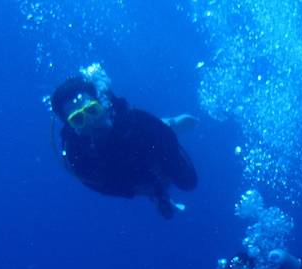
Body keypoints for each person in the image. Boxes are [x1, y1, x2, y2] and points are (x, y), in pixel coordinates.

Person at [50, 72, 198, 219]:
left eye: (92, 110)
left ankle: (169, 123)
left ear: (102, 104)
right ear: (72, 128)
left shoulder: (131, 120)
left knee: (188, 182)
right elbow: (102, 185)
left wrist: (166, 166)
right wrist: (152, 192)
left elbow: (165, 137)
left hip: (148, 146)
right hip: (128, 173)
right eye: (78, 119)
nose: (91, 121)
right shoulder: (78, 158)